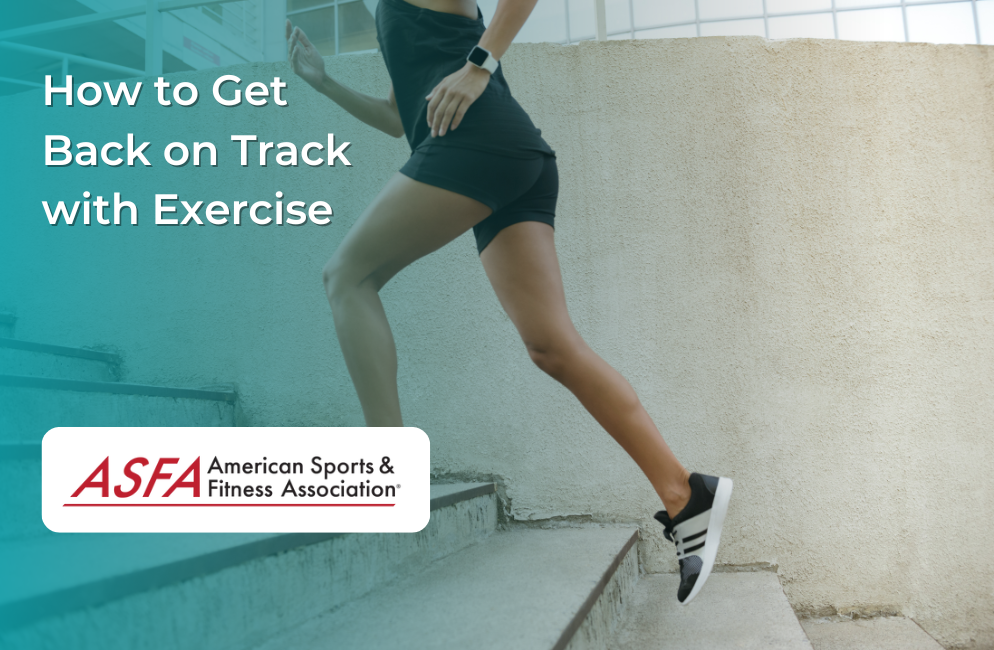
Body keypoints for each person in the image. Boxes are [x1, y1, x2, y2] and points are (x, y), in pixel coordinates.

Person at [286, 0, 732, 604]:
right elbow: (397, 116)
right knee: (552, 347)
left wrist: (479, 65)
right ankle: (686, 494)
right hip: (510, 156)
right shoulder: (392, 13)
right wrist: (325, 83)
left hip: (478, 144)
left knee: (346, 277)